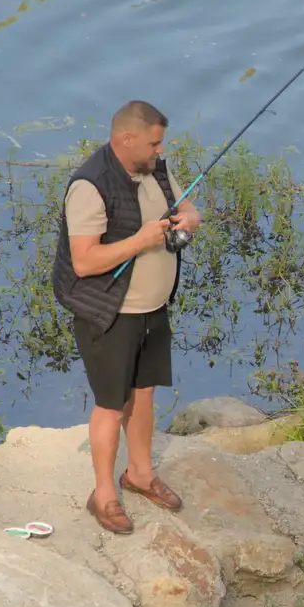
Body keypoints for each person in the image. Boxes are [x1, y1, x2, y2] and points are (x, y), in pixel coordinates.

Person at [52, 100, 201, 534]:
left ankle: (139, 475)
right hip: (110, 313)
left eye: (161, 143)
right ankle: (104, 496)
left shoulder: (155, 168)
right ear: (126, 138)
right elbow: (84, 261)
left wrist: (185, 223)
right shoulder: (90, 185)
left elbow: (190, 210)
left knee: (144, 393)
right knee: (110, 405)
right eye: (154, 143)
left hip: (153, 308)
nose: (160, 150)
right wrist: (140, 240)